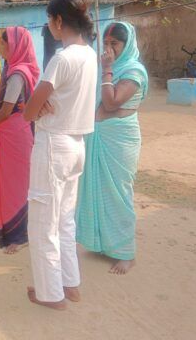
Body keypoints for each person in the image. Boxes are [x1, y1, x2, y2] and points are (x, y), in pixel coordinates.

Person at [23, 0, 98, 310]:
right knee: (64, 221)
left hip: (54, 145)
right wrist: (41, 106)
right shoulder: (89, 54)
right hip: (76, 144)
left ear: (57, 21)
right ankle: (69, 284)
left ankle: (51, 293)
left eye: (49, 21)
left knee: (43, 224)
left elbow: (29, 111)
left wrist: (37, 108)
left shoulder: (62, 58)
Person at [76, 22, 148, 275]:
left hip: (119, 140)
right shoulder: (108, 69)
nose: (108, 49)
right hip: (98, 137)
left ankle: (126, 253)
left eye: (114, 44)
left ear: (126, 45)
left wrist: (106, 69)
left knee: (119, 194)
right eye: (105, 44)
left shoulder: (133, 71)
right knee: (98, 191)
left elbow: (110, 102)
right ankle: (104, 244)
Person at [0, 27, 39, 253]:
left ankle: (20, 234)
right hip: (15, 131)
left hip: (15, 134)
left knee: (16, 185)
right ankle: (13, 229)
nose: (0, 47)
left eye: (3, 43)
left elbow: (7, 109)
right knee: (11, 182)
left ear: (15, 46)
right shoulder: (14, 69)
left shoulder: (18, 73)